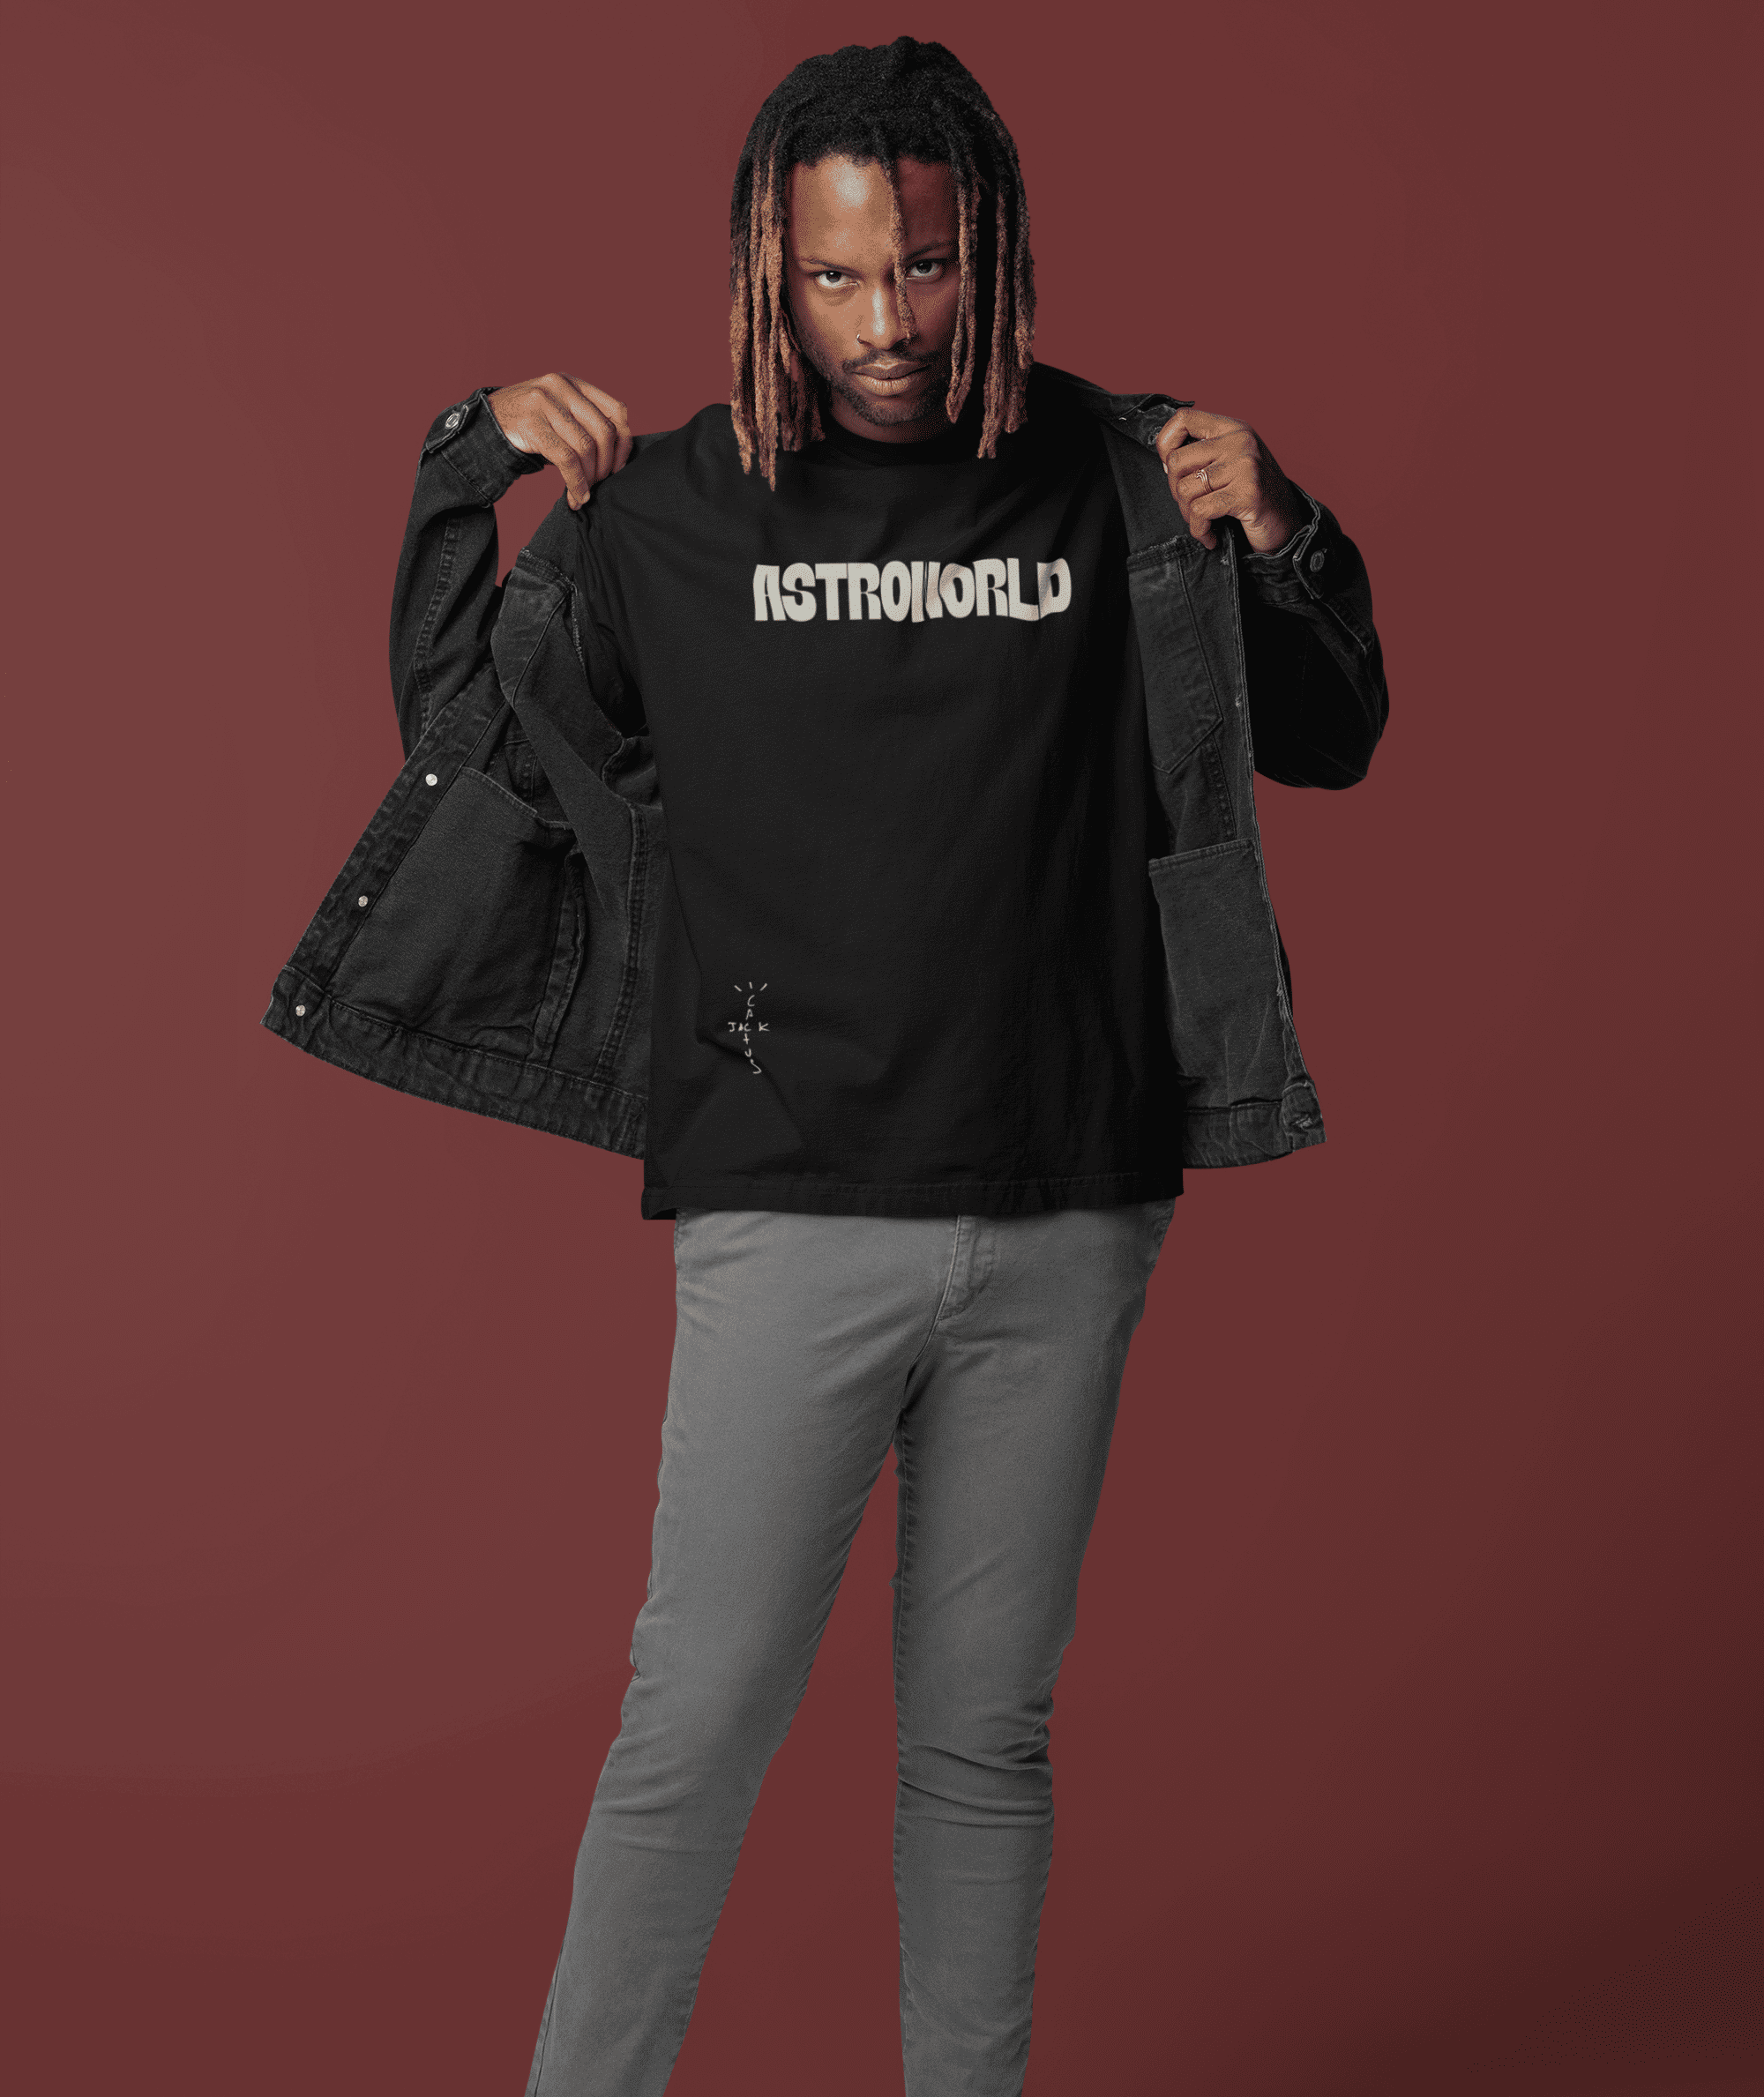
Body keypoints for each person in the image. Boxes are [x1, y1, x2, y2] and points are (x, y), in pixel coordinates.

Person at [264, 35, 1387, 2096]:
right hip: (787, 1207)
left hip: (1069, 1202)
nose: (886, 326)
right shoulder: (673, 510)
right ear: (768, 271)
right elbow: (476, 738)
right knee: (693, 1727)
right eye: (841, 278)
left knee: (985, 1743)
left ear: (997, 256)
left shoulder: (1123, 478)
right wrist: (461, 458)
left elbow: (1322, 735)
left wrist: (1289, 526)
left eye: (929, 271)